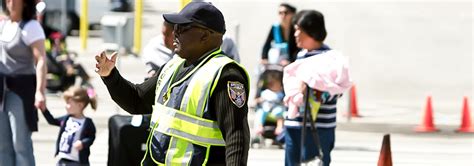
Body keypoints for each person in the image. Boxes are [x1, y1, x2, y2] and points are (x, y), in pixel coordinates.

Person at [95, 2, 250, 165]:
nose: (174, 32)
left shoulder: (226, 74)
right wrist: (110, 76)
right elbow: (136, 101)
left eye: (182, 28)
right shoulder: (173, 65)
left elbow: (237, 137)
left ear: (204, 36)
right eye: (174, 27)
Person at [283, 10, 352, 166]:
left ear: (311, 31)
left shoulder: (330, 59)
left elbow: (335, 91)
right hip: (294, 124)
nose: (295, 34)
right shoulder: (301, 56)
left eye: (298, 30)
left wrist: (310, 87)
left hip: (318, 128)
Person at [0, 0, 47, 165]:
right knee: (2, 146)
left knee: (21, 144)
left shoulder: (31, 27)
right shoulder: (4, 24)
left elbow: (41, 60)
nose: (11, 3)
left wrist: (40, 91)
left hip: (20, 91)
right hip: (1, 90)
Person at [39, 86, 97, 165]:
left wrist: (83, 143)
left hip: (77, 161)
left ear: (80, 105)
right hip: (64, 158)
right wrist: (44, 110)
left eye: (69, 103)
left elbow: (91, 137)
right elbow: (52, 121)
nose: (66, 106)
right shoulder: (66, 119)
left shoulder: (87, 122)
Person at [254, 71, 285, 136]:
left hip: (276, 109)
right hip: (266, 109)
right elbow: (258, 99)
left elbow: (283, 101)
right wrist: (259, 100)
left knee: (279, 112)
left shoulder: (280, 93)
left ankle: (279, 127)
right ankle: (260, 126)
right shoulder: (265, 92)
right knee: (260, 113)